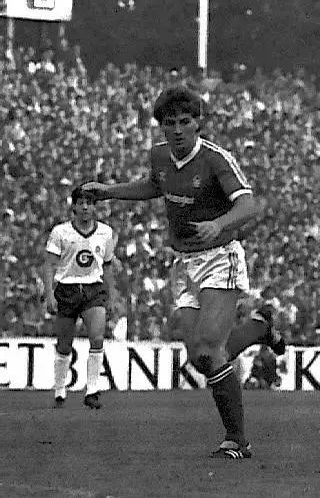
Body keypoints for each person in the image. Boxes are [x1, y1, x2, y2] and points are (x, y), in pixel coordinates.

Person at [82, 86, 284, 459]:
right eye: (169, 123)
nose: (177, 130)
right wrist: (109, 191)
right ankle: (257, 328)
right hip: (184, 263)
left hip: (220, 255)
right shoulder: (159, 156)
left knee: (209, 346)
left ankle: (236, 440)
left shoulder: (215, 159)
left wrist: (219, 223)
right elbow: (152, 186)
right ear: (160, 126)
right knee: (201, 356)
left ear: (198, 123)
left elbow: (249, 204)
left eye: (185, 122)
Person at [42, 185, 118, 409]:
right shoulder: (60, 232)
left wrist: (112, 296)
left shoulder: (105, 232)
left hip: (93, 289)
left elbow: (108, 266)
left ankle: (92, 390)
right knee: (64, 344)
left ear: (95, 207)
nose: (85, 207)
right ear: (73, 206)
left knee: (97, 337)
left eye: (89, 202)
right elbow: (49, 264)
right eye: (81, 202)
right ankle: (59, 389)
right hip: (67, 289)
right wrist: (49, 295)